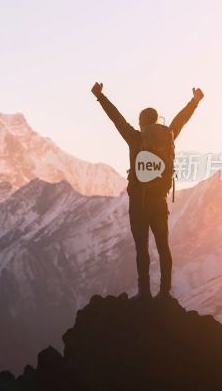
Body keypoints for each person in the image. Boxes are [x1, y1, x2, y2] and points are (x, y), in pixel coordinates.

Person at [90, 82, 203, 300]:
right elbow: (182, 120)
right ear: (156, 121)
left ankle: (144, 293)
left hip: (139, 203)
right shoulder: (168, 136)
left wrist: (100, 96)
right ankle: (165, 293)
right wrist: (195, 101)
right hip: (159, 200)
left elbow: (116, 118)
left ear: (142, 123)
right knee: (163, 247)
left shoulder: (135, 138)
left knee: (142, 249)